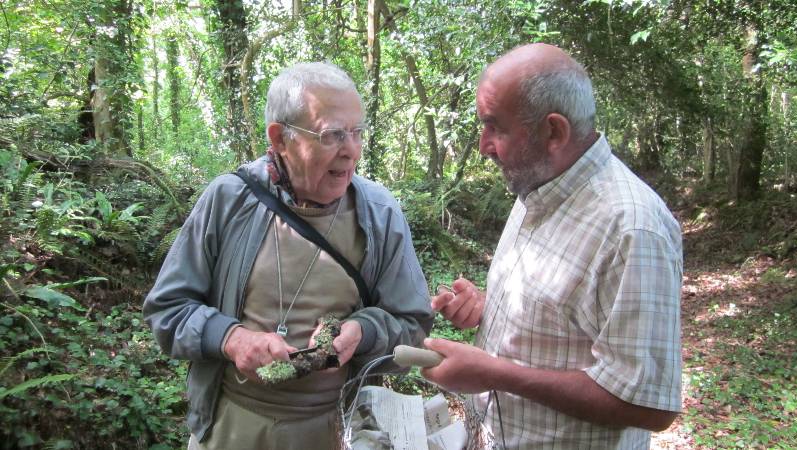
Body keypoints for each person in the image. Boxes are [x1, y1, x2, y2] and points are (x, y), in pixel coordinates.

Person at [143, 62, 433, 449]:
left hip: (335, 429)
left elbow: (412, 323)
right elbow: (167, 309)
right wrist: (233, 339)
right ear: (280, 139)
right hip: (233, 426)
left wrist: (362, 332)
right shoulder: (230, 200)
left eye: (357, 132)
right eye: (332, 134)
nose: (351, 151)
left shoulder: (379, 213)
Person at [422, 43, 683, 449]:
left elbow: (650, 406)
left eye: (496, 127)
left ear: (554, 132)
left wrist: (494, 372)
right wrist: (485, 306)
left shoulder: (633, 229)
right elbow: (560, 315)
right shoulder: (537, 188)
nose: (483, 145)